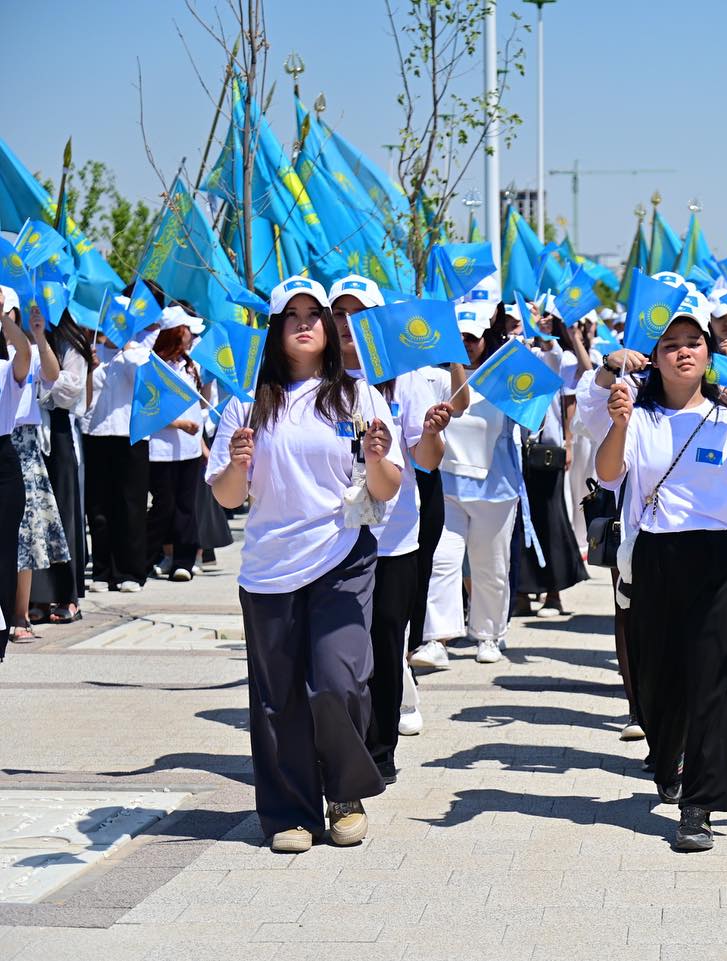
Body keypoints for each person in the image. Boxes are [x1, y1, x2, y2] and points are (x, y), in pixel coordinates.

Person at [206, 276, 403, 853]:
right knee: (278, 699)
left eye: (313, 313)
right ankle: (291, 811)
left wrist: (375, 458)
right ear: (275, 329)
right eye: (290, 315)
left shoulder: (358, 396)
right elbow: (225, 496)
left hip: (342, 556)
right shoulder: (246, 402)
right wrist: (237, 463)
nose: (304, 323)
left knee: (337, 682)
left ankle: (344, 793)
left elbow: (387, 487)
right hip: (269, 568)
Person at [591, 296, 727, 852]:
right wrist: (618, 424)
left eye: (693, 343)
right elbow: (608, 476)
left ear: (710, 353)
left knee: (713, 683)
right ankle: (667, 754)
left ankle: (700, 804)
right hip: (655, 557)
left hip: (720, 562)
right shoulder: (639, 415)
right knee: (657, 680)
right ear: (654, 356)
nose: (682, 353)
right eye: (671, 344)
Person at [328, 275, 453, 784]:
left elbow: (424, 461)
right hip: (333, 538)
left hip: (395, 536)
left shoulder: (409, 379)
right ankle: (339, 744)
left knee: (384, 645)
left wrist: (431, 435)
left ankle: (379, 752)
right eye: (338, 314)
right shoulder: (318, 380)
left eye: (358, 315)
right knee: (338, 647)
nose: (345, 326)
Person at [417, 301, 522, 669]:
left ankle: (488, 633)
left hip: (496, 489)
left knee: (490, 565)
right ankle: (437, 638)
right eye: (457, 338)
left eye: (471, 338)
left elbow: (533, 419)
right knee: (442, 562)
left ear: (485, 338)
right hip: (445, 487)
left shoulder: (505, 375)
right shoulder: (431, 376)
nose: (465, 344)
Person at [83, 282, 162, 593]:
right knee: (99, 507)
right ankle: (102, 570)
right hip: (98, 432)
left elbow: (142, 380)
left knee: (130, 504)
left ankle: (130, 571)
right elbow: (90, 393)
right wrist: (95, 360)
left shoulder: (141, 349)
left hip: (131, 436)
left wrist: (126, 345)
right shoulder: (96, 350)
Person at [514, 299, 588, 617]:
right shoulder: (515, 354)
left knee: (550, 518)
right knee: (520, 522)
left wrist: (569, 443)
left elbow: (570, 397)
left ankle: (553, 592)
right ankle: (522, 591)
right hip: (515, 450)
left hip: (547, 449)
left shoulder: (554, 355)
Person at [31, 309, 94, 624]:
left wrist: (40, 383)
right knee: (35, 519)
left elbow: (69, 390)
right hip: (27, 432)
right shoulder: (19, 334)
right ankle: (36, 596)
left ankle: (67, 596)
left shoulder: (71, 340)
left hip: (58, 433)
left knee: (64, 514)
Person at [10, 302, 67, 642]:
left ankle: (20, 614)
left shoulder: (27, 350)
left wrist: (39, 336)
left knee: (27, 535)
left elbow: (52, 374)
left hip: (24, 446)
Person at [146, 306, 207, 583]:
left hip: (190, 449)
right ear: (175, 332)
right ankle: (149, 556)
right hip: (161, 448)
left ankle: (184, 560)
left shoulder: (191, 364)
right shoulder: (153, 365)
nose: (191, 336)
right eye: (186, 330)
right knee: (164, 506)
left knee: (186, 506)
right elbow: (149, 408)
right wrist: (180, 425)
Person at [0, 288, 34, 660]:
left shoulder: (8, 365)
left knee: (3, 552)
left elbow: (24, 352)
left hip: (2, 462)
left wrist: (1, 318)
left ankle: (3, 623)